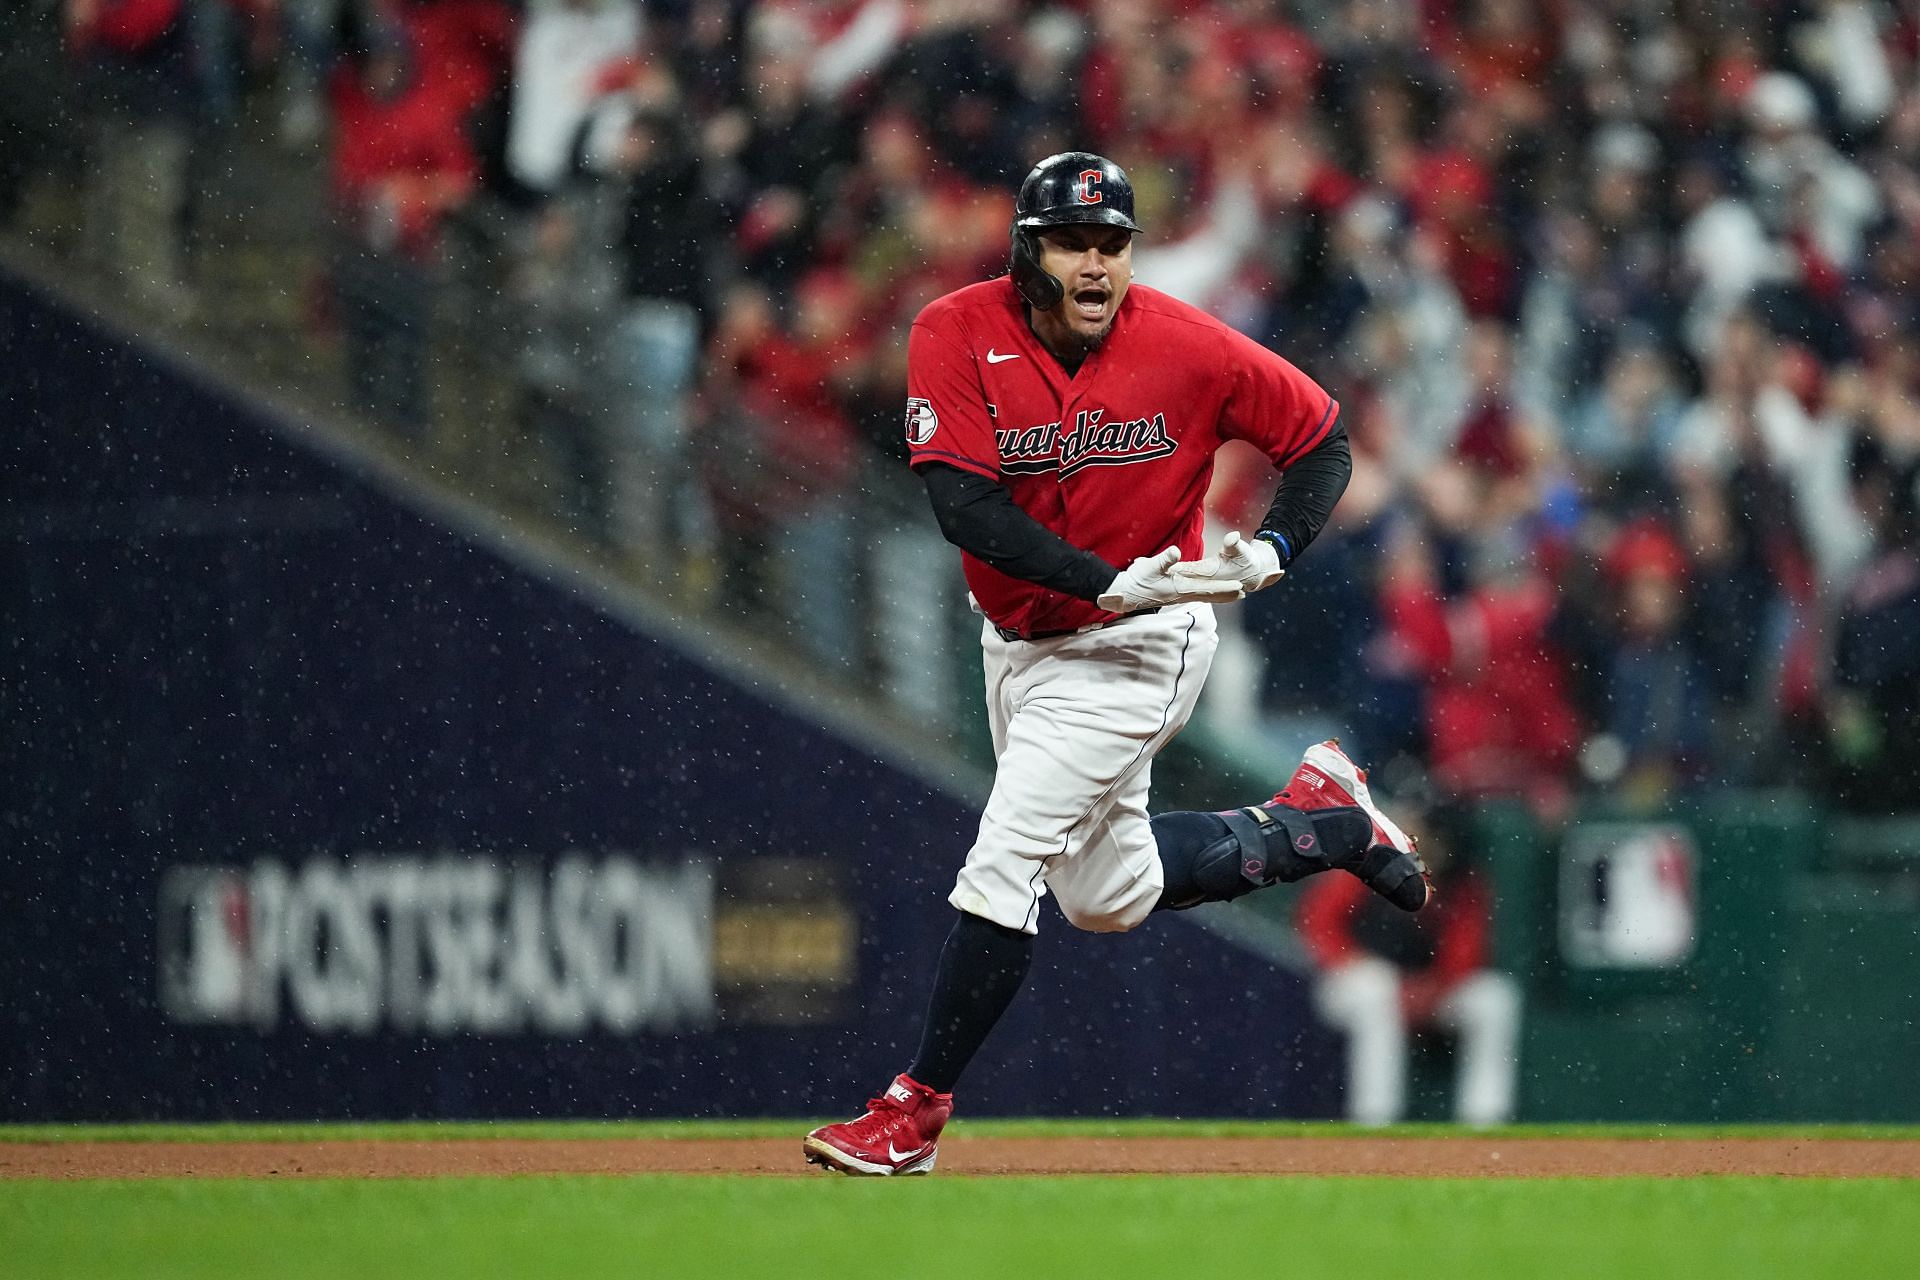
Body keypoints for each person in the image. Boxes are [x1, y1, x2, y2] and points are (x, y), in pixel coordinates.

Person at [803, 152, 1433, 1176]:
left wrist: (1274, 550)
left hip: (1145, 641)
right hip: (1030, 635)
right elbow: (965, 509)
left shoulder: (1185, 343)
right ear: (1026, 251)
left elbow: (1322, 440)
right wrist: (1097, 579)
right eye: (1072, 242)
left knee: (1004, 859)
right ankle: (1320, 818)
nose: (1096, 264)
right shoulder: (954, 331)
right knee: (1107, 890)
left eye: (1113, 243)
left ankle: (911, 1110)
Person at [1295, 802, 1520, 1127]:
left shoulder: (1463, 883)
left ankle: (1483, 1121)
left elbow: (1465, 952)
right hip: (1355, 984)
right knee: (1377, 988)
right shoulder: (1373, 858)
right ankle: (1375, 1120)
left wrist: (1433, 988)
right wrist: (1355, 961)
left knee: (1494, 998)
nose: (1418, 839)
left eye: (1427, 834)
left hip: (1429, 991)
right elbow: (1319, 922)